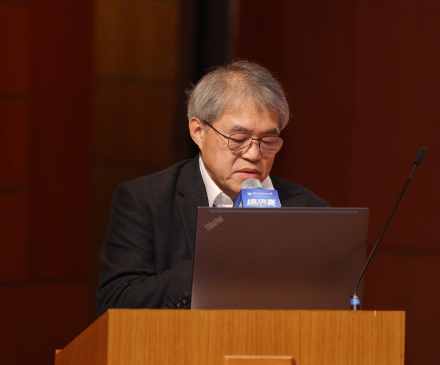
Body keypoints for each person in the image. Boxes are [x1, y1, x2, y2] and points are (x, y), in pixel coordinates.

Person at [95, 60, 329, 315]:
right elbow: (116, 301)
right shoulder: (147, 200)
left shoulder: (310, 210)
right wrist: (214, 264)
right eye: (239, 139)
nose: (254, 154)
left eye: (269, 140)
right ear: (198, 131)